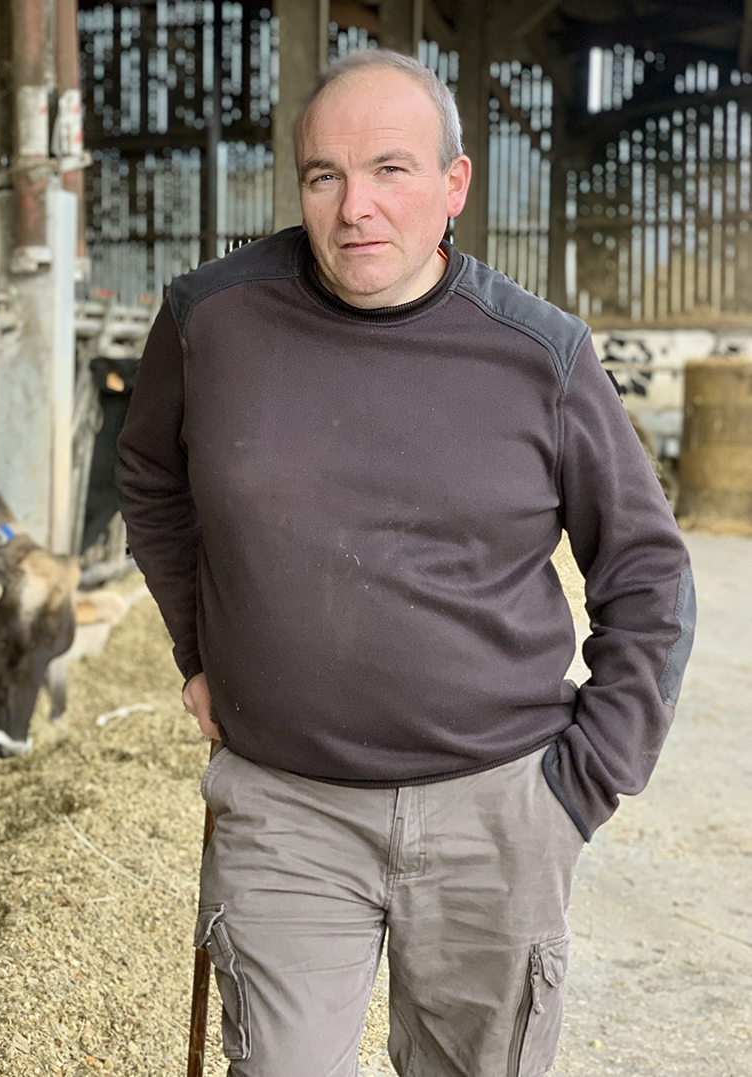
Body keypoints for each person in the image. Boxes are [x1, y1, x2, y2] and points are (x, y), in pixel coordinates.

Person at [116, 49, 695, 1077]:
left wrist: (587, 780)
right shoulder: (210, 321)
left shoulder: (540, 355)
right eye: (322, 176)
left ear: (451, 185)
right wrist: (195, 653)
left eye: (389, 170)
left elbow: (646, 571)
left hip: (497, 809)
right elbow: (150, 480)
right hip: (285, 807)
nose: (354, 209)